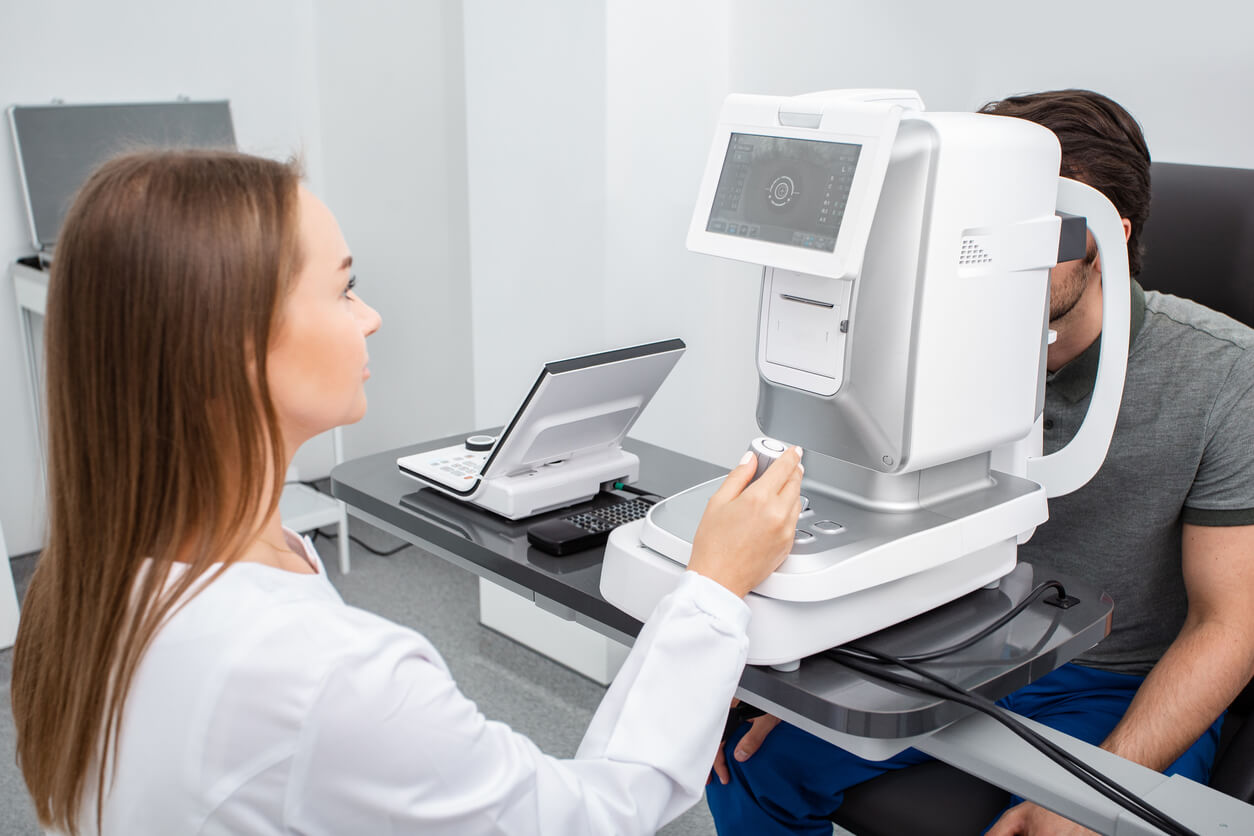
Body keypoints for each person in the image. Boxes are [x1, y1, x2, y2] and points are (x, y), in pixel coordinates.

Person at [9, 150, 805, 836]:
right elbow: (590, 819)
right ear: (235, 350)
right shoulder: (327, 678)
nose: (373, 318)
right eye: (345, 290)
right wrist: (712, 590)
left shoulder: (92, 585)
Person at [706, 89, 1254, 835]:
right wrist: (799, 672)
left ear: (1107, 239)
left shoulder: (1224, 375)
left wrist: (1097, 795)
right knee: (749, 764)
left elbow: (1231, 625)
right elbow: (866, 520)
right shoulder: (940, 342)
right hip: (952, 653)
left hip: (1113, 682)